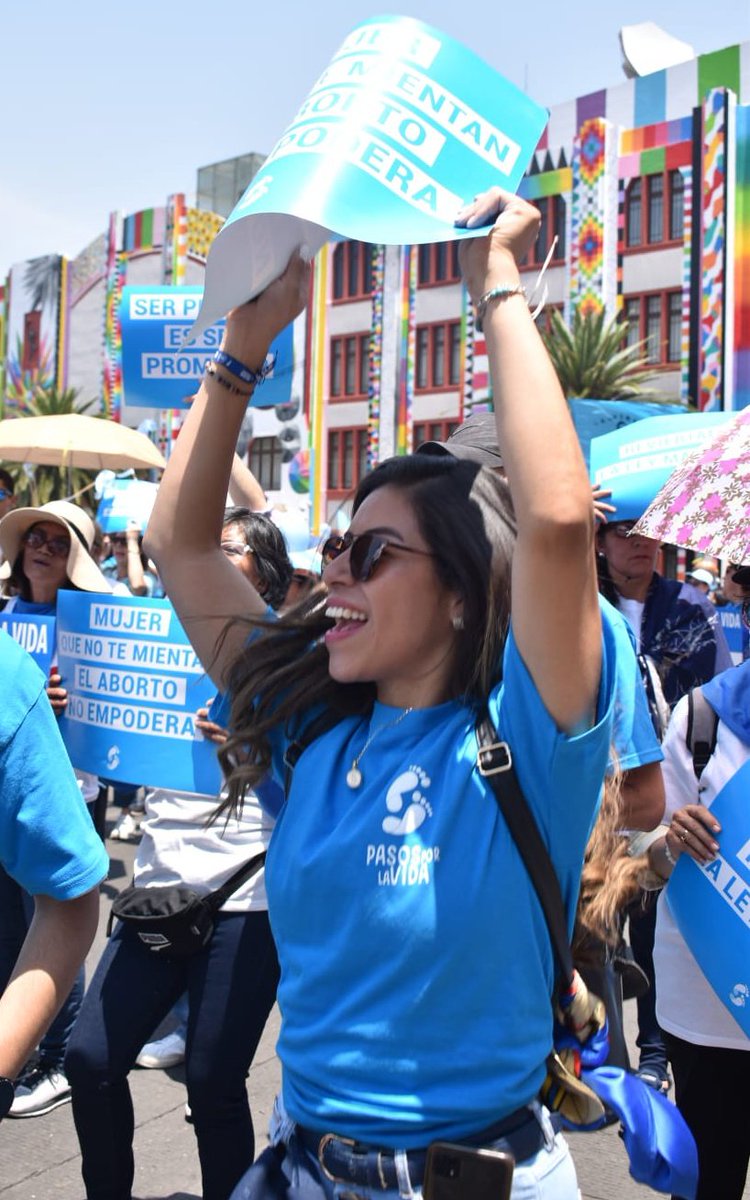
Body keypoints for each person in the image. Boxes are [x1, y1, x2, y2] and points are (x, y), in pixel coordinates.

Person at [144, 189, 620, 1200]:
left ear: (457, 595)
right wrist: (246, 343)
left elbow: (560, 523)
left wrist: (497, 285)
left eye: (373, 552)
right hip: (303, 1172)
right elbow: (180, 544)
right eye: (335, 548)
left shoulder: (531, 742)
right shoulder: (306, 726)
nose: (337, 575)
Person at [64, 507, 291, 1200]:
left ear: (266, 578)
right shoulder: (154, 637)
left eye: (224, 549)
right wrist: (71, 707)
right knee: (89, 1058)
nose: (204, 559)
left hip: (245, 899)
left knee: (214, 1084)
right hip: (159, 886)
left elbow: (321, 794)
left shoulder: (294, 661)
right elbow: (111, 755)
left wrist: (257, 757)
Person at [597, 514, 732, 1094]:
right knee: (598, 930)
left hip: (671, 788)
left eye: (649, 532)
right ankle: (599, 1054)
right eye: (625, 532)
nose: (641, 544)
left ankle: (656, 1050)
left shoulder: (691, 610)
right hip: (600, 798)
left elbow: (723, 691)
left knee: (655, 927)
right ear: (598, 542)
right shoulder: (579, 609)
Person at [0, 499, 112, 1116]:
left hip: (68, 791)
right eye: (33, 537)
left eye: (58, 540)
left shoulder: (92, 625)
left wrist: (68, 700)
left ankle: (59, 1055)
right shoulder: (7, 618)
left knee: (47, 910)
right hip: (7, 798)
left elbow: (68, 916)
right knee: (10, 928)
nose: (42, 547)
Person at [647, 661, 750, 1200]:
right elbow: (639, 848)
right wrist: (671, 842)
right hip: (707, 1017)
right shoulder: (702, 718)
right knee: (709, 1183)